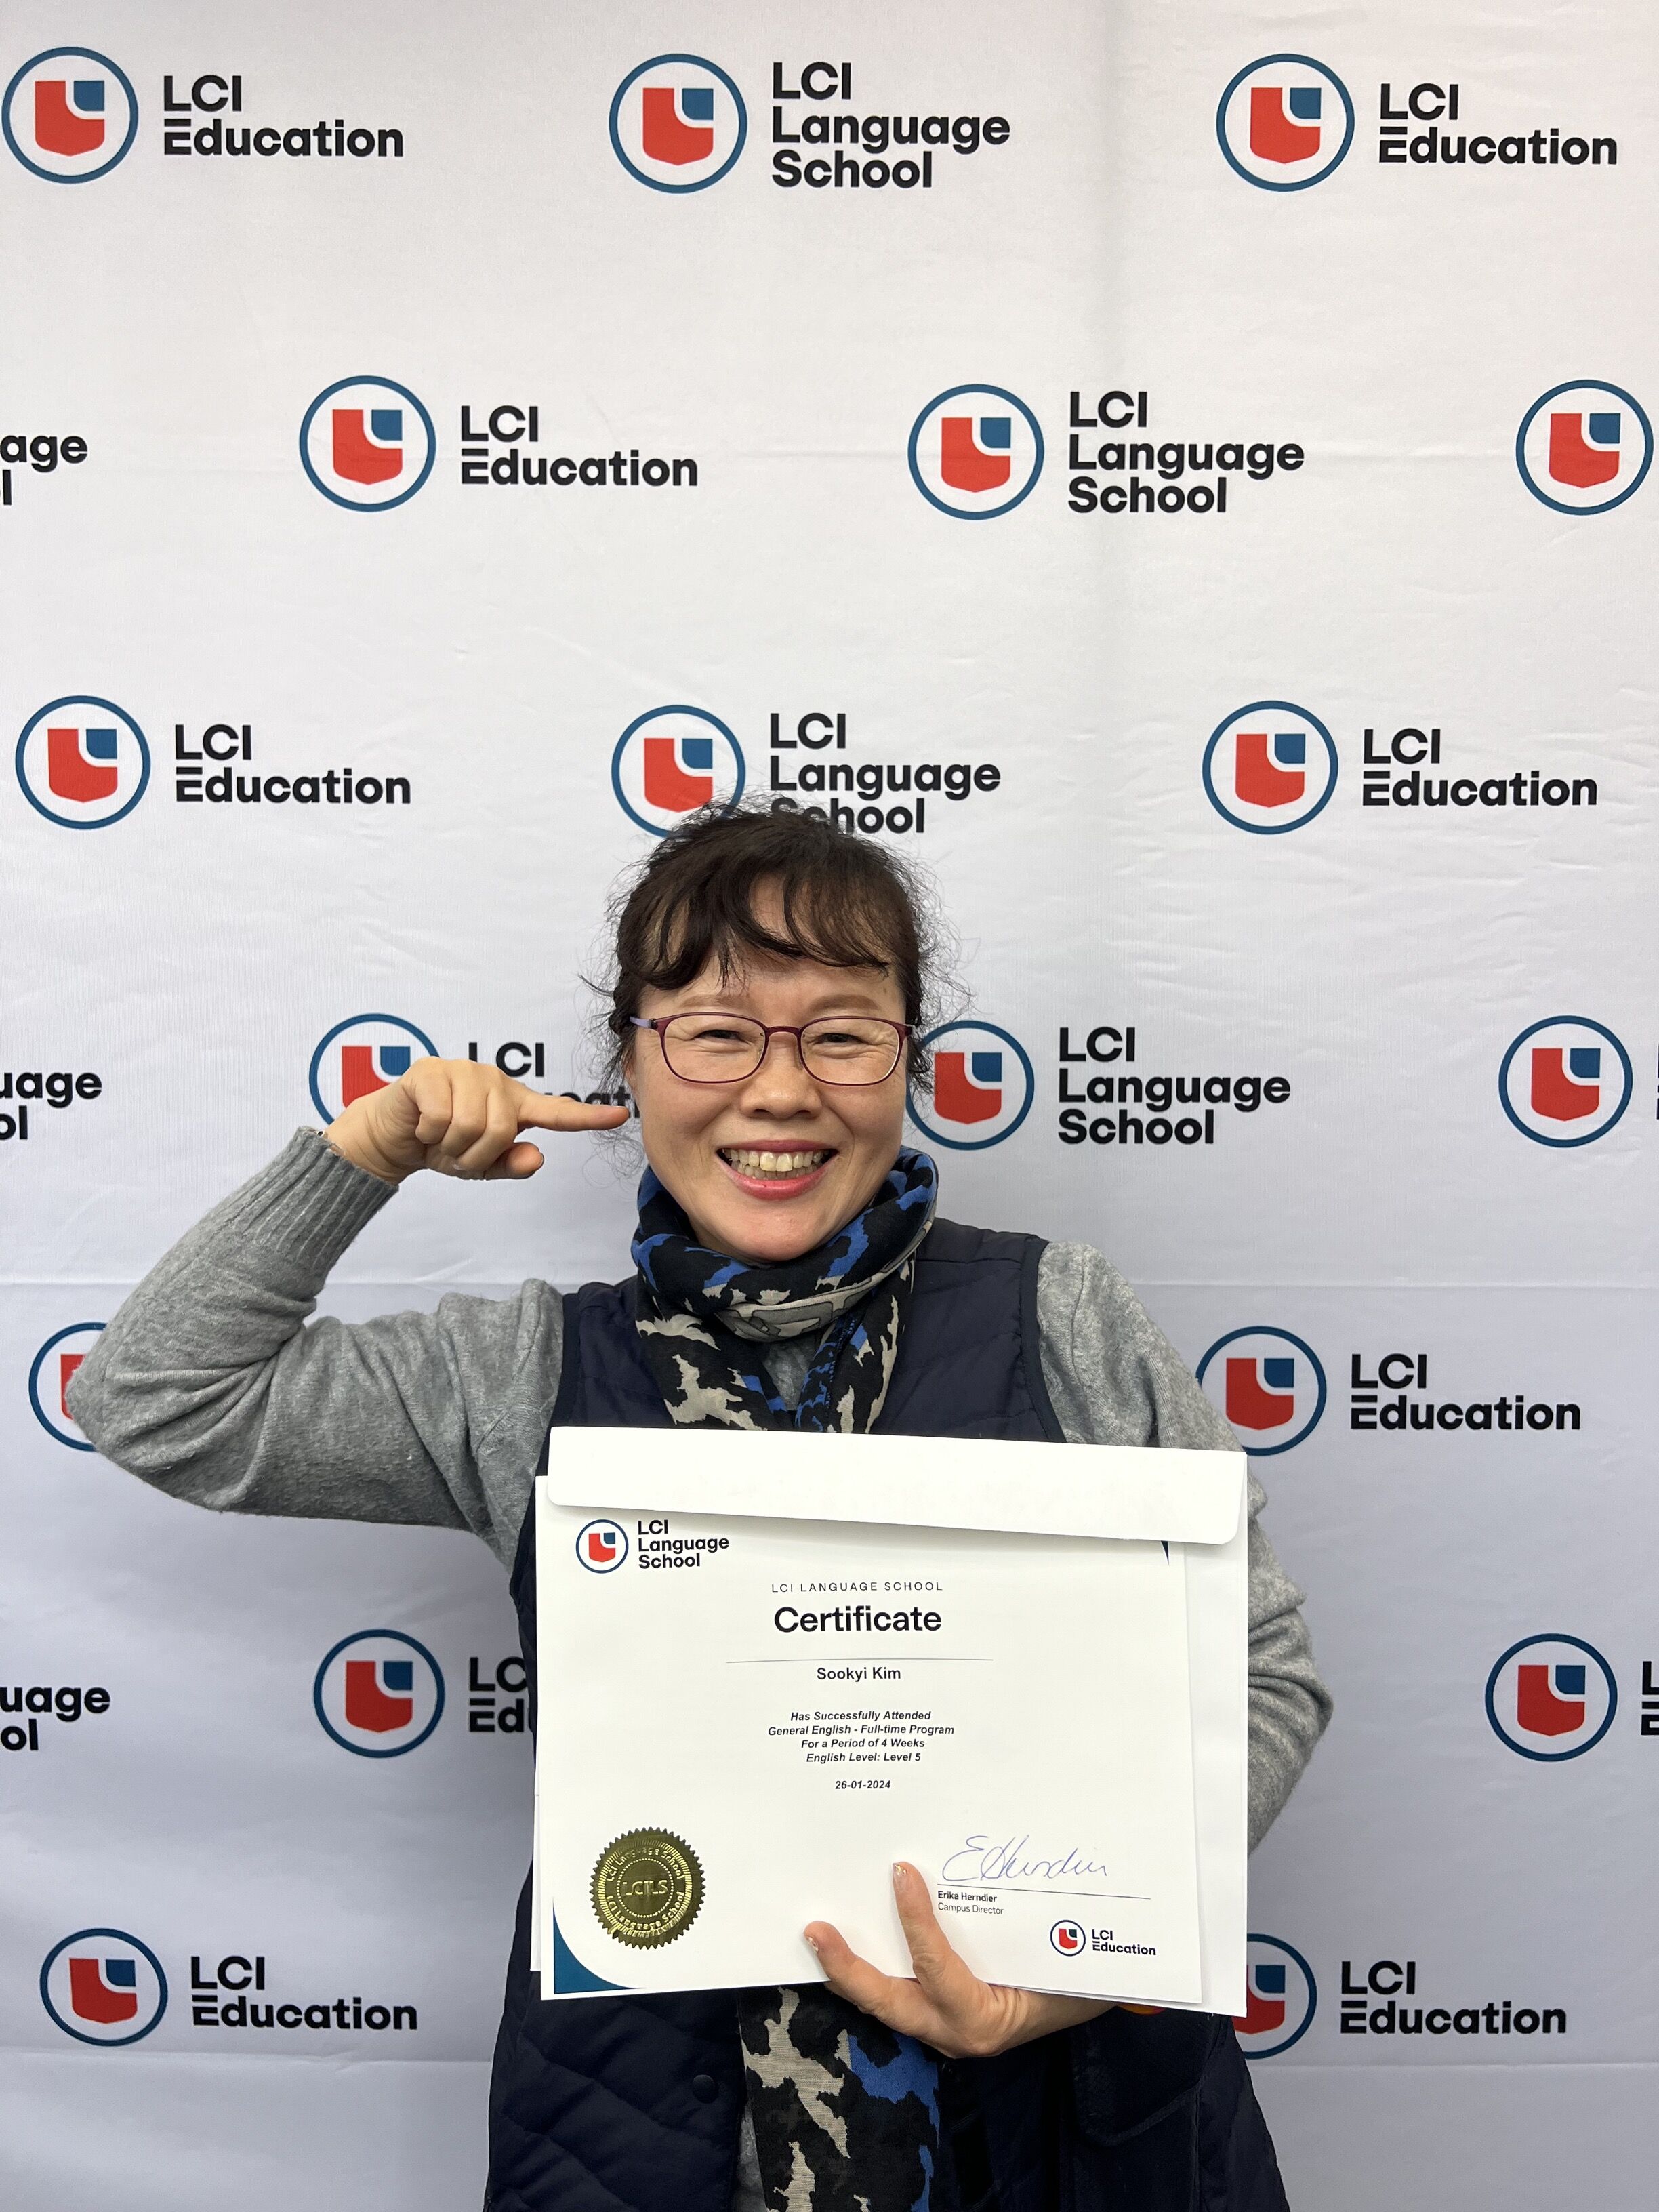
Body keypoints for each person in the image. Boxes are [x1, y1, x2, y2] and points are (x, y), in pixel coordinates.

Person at [73, 805, 1330, 2212]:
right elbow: (159, 1399)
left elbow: (1259, 1674)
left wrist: (1071, 1969)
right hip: (645, 2144)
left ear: (908, 1060)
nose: (780, 1090)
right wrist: (360, 1157)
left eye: (843, 1033)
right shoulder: (526, 1374)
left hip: (1058, 2129)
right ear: (631, 1059)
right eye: (717, 1031)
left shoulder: (1062, 1313)